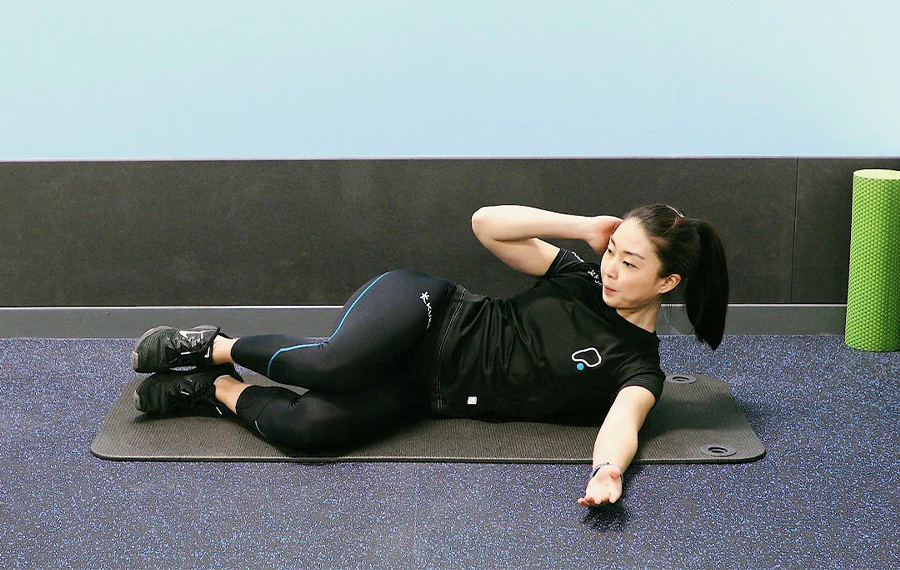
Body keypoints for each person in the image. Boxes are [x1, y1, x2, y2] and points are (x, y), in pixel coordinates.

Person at [130, 204, 729, 507]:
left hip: (429, 391)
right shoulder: (576, 272)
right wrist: (583, 228)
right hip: (429, 312)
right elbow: (487, 224)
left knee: (310, 429)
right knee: (331, 365)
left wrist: (608, 473)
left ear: (669, 282)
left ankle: (211, 388)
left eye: (630, 263)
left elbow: (622, 423)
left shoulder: (637, 364)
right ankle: (210, 345)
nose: (611, 269)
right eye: (613, 251)